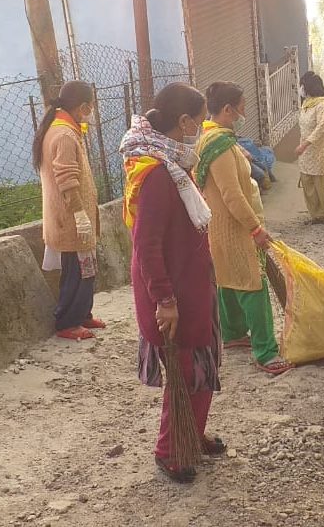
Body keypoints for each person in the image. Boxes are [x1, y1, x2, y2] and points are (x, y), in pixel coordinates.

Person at [120, 82, 223, 484]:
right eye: (198, 122)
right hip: (174, 296)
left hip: (191, 288)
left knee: (200, 371)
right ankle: (170, 451)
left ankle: (192, 436)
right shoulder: (158, 174)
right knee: (185, 375)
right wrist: (164, 299)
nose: (201, 128)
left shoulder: (171, 166)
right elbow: (146, 245)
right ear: (183, 122)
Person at [195, 81, 292, 376]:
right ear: (227, 109)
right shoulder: (221, 146)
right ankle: (265, 351)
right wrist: (254, 228)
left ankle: (234, 331)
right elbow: (232, 194)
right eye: (241, 106)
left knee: (227, 277)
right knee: (253, 282)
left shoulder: (211, 138)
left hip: (219, 224)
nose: (243, 111)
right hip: (233, 225)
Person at [34, 81, 105, 341]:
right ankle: (67, 321)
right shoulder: (63, 134)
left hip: (75, 217)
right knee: (76, 270)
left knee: (86, 268)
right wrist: (79, 213)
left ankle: (83, 314)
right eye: (91, 106)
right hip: (71, 217)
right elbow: (67, 179)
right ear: (83, 106)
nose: (92, 111)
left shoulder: (65, 129)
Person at [295, 71, 324, 225]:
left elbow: (321, 127)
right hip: (305, 151)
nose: (300, 89)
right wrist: (302, 145)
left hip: (319, 149)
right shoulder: (306, 104)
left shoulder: (322, 105)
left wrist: (305, 144)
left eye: (302, 86)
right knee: (307, 182)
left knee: (321, 184)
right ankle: (316, 215)